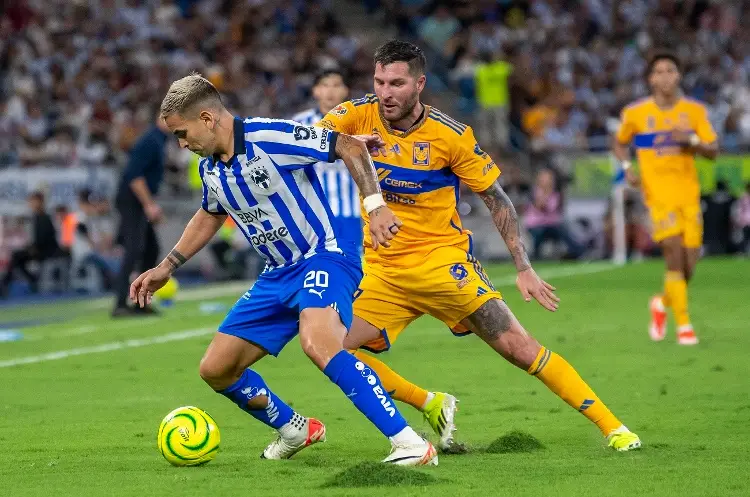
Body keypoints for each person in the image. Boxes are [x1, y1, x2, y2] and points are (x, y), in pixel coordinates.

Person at [319, 40, 641, 453]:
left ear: (419, 83)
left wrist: (523, 266)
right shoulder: (357, 114)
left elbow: (497, 199)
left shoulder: (450, 136)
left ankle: (614, 428)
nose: (386, 92)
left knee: (520, 350)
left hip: (443, 263)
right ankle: (429, 401)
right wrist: (349, 144)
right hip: (384, 271)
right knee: (332, 350)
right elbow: (311, 140)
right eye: (380, 81)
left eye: (397, 83)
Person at [130, 73, 437, 466]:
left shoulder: (270, 136)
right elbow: (210, 213)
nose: (181, 144)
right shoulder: (210, 167)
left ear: (207, 119)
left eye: (182, 133)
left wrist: (375, 206)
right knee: (216, 369)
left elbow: (349, 147)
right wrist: (167, 265)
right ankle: (295, 428)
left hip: (323, 256)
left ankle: (410, 442)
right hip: (276, 274)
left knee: (320, 344)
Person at [613, 50, 718, 345]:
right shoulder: (635, 114)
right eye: (659, 71)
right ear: (650, 79)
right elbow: (619, 143)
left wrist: (693, 141)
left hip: (689, 196)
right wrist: (626, 167)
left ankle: (661, 303)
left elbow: (713, 150)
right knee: (672, 254)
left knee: (688, 268)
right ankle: (684, 326)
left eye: (670, 70)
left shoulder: (694, 112)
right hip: (657, 197)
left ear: (679, 75)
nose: (665, 76)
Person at [292, 69, 363, 255]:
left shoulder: (360, 123)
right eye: (324, 85)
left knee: (353, 267)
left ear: (345, 90)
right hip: (312, 213)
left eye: (336, 85)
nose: (330, 91)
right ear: (315, 91)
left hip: (351, 212)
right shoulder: (300, 124)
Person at [112, 116, 168, 317]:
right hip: (132, 199)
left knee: (151, 249)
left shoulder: (159, 139)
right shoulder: (151, 140)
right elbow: (134, 176)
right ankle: (119, 304)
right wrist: (149, 205)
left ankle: (140, 302)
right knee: (134, 249)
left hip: (139, 199)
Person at [1, 191, 60, 297]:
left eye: (34, 201)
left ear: (40, 202)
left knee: (17, 256)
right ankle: (31, 279)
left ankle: (5, 284)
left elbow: (45, 238)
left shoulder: (46, 217)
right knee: (17, 258)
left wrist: (33, 247)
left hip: (46, 251)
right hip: (37, 249)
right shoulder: (34, 217)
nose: (31, 204)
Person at [524, 168, 584, 260]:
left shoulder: (556, 193)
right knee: (539, 233)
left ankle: (576, 251)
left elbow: (554, 209)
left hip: (552, 225)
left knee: (564, 231)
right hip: (536, 224)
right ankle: (535, 255)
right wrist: (545, 192)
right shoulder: (534, 191)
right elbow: (540, 207)